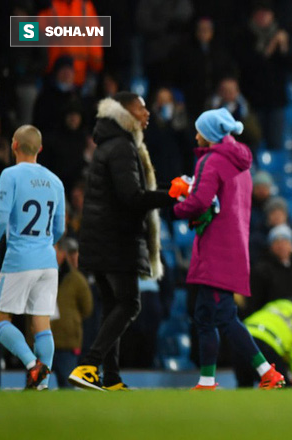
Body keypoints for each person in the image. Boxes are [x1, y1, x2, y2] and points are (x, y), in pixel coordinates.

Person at [69, 92, 177, 391]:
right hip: (116, 241)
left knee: (112, 307)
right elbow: (131, 197)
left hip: (100, 238)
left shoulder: (109, 144)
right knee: (129, 304)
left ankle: (112, 377)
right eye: (142, 108)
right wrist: (172, 195)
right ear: (126, 113)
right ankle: (89, 365)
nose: (147, 113)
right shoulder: (122, 147)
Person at [173, 108, 285, 390]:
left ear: (209, 134)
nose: (196, 135)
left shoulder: (211, 161)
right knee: (205, 315)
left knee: (223, 316)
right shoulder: (242, 164)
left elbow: (200, 202)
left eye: (199, 130)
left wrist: (176, 204)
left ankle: (266, 372)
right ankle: (208, 380)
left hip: (215, 248)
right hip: (234, 244)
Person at [0, 125, 66, 390]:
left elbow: (0, 218)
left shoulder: (10, 175)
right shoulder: (56, 181)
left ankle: (33, 365)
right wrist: (45, 245)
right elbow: (59, 228)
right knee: (41, 323)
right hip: (48, 261)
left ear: (14, 146)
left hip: (19, 259)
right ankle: (42, 387)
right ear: (40, 149)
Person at [50, 237, 93, 388]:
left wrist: (71, 321)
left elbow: (87, 308)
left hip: (67, 342)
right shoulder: (38, 274)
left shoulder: (76, 279)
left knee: (67, 388)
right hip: (41, 340)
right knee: (35, 388)